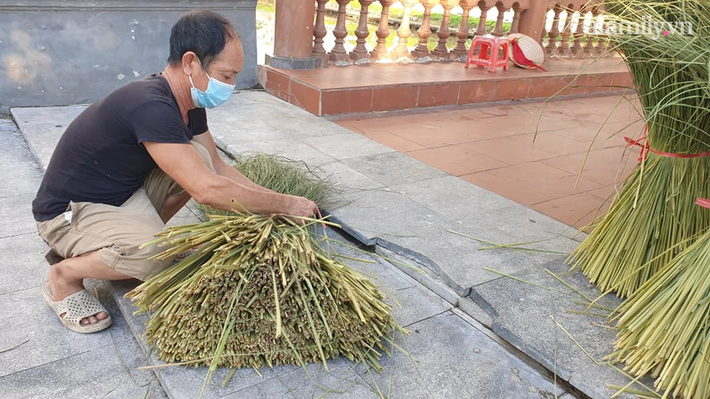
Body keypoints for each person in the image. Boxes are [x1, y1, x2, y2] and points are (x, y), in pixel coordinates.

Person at [32, 10, 317, 334]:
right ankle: (64, 276)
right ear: (191, 63)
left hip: (120, 196)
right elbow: (207, 190)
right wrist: (286, 207)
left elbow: (217, 167)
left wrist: (280, 202)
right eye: (226, 75)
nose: (231, 86)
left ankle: (125, 251)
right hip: (67, 213)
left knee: (196, 157)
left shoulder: (187, 104)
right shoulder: (151, 105)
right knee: (153, 254)